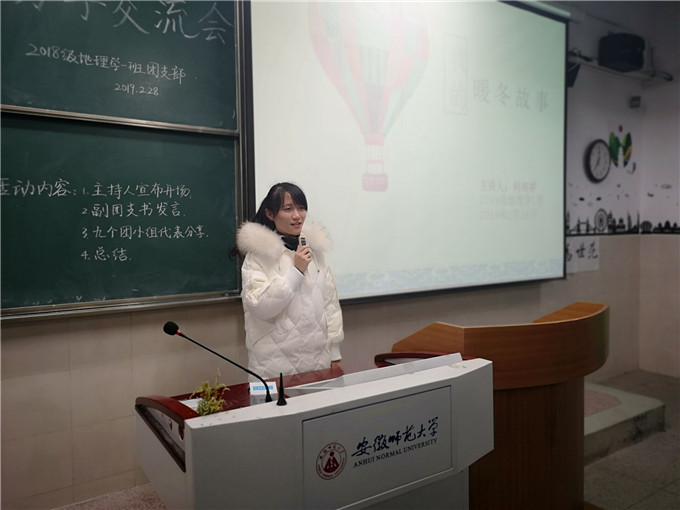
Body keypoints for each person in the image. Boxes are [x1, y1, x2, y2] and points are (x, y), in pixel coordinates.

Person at [235, 182, 344, 379]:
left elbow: (330, 304)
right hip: (274, 367)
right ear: (270, 214)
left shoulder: (314, 251)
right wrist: (296, 271)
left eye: (301, 208)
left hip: (318, 362)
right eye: (288, 209)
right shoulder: (258, 256)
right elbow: (260, 305)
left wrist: (334, 354)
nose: (297, 215)